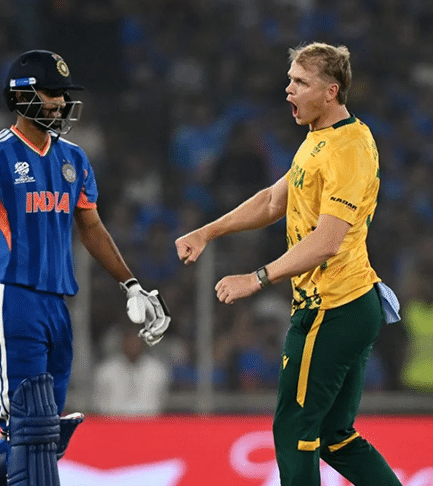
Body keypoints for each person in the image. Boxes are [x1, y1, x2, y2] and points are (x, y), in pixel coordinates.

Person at [0, 50, 170, 486]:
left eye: (63, 94)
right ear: (21, 96)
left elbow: (92, 229)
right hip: (8, 298)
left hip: (57, 305)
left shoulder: (74, 158)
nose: (60, 102)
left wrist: (131, 285)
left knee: (43, 434)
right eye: (51, 92)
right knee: (32, 427)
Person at [175, 42, 402, 486]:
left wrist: (257, 278)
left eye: (300, 82)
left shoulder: (348, 149)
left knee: (294, 430)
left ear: (331, 91)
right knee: (335, 436)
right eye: (290, 80)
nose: (288, 90)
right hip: (348, 303)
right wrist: (207, 232)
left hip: (332, 307)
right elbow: (272, 201)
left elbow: (327, 242)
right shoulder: (319, 139)